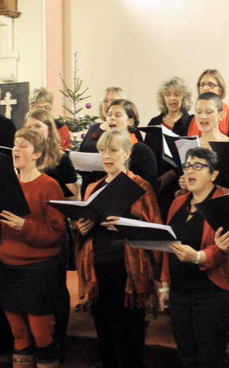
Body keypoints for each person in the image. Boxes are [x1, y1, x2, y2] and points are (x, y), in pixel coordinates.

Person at [0, 128, 65, 368]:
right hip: (9, 268)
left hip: (38, 270)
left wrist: (24, 226)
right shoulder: (7, 184)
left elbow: (56, 235)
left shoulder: (49, 185)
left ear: (36, 154)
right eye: (15, 144)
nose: (16, 149)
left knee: (42, 335)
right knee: (19, 335)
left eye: (23, 145)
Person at [76, 129, 162, 368]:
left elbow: (154, 228)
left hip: (128, 269)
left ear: (127, 154)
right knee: (104, 331)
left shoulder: (139, 185)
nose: (107, 156)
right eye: (103, 150)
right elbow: (85, 230)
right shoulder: (93, 187)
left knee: (130, 334)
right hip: (99, 266)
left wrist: (125, 226)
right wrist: (82, 229)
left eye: (113, 150)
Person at [159, 147, 229, 368]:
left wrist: (199, 257)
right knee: (186, 356)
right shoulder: (179, 202)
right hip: (180, 292)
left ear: (214, 174)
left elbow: (228, 247)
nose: (190, 171)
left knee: (209, 359)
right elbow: (170, 246)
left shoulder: (226, 201)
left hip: (214, 293)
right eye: (187, 166)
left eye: (198, 166)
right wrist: (165, 286)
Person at [24, 108, 78, 361]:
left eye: (38, 126)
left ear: (49, 130)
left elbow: (74, 196)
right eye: (29, 126)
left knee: (56, 286)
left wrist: (46, 192)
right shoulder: (23, 158)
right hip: (27, 229)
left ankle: (59, 339)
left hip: (54, 226)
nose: (33, 130)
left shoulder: (60, 158)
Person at [79, 99, 157, 196]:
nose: (112, 118)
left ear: (130, 121)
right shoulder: (102, 147)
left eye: (117, 115)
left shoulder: (143, 151)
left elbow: (149, 188)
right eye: (109, 115)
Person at [144, 77, 193, 217]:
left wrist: (172, 173)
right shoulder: (154, 122)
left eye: (177, 94)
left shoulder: (190, 122)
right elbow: (148, 155)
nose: (172, 98)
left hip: (182, 184)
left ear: (184, 97)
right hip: (157, 185)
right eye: (168, 94)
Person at [186, 69, 229, 138]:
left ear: (220, 91)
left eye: (210, 85)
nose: (205, 88)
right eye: (202, 84)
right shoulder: (190, 120)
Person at [30, 87, 71, 151]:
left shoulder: (61, 129)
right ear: (32, 108)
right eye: (39, 108)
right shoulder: (27, 128)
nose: (44, 111)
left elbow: (62, 152)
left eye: (47, 107)